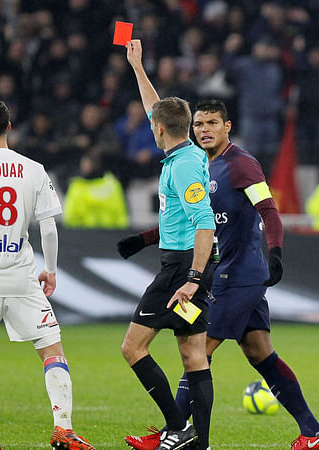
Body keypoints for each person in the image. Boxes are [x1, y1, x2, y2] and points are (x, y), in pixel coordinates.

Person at [118, 99, 319, 450]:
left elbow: (269, 210)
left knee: (197, 350)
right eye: (199, 124)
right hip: (219, 276)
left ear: (227, 127)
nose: (204, 130)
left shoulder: (242, 165)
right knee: (260, 352)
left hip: (237, 277)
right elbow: (193, 220)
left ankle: (177, 432)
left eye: (212, 123)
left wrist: (275, 250)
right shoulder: (197, 165)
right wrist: (143, 240)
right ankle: (313, 432)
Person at [0, 98, 94, 450]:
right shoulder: (34, 169)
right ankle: (64, 428)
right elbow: (50, 228)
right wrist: (51, 270)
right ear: (10, 127)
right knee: (52, 350)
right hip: (22, 274)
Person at [119, 39, 216, 450]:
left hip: (180, 270)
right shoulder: (188, 152)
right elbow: (157, 111)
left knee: (132, 347)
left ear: (158, 130)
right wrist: (138, 67)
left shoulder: (183, 169)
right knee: (193, 352)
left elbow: (205, 223)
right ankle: (201, 443)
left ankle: (178, 428)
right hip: (190, 268)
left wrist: (192, 278)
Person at [62, 153, 129, 229]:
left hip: (109, 235)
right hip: (83, 235)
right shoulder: (76, 186)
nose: (83, 166)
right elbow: (70, 216)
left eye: (86, 163)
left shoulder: (113, 184)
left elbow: (121, 213)